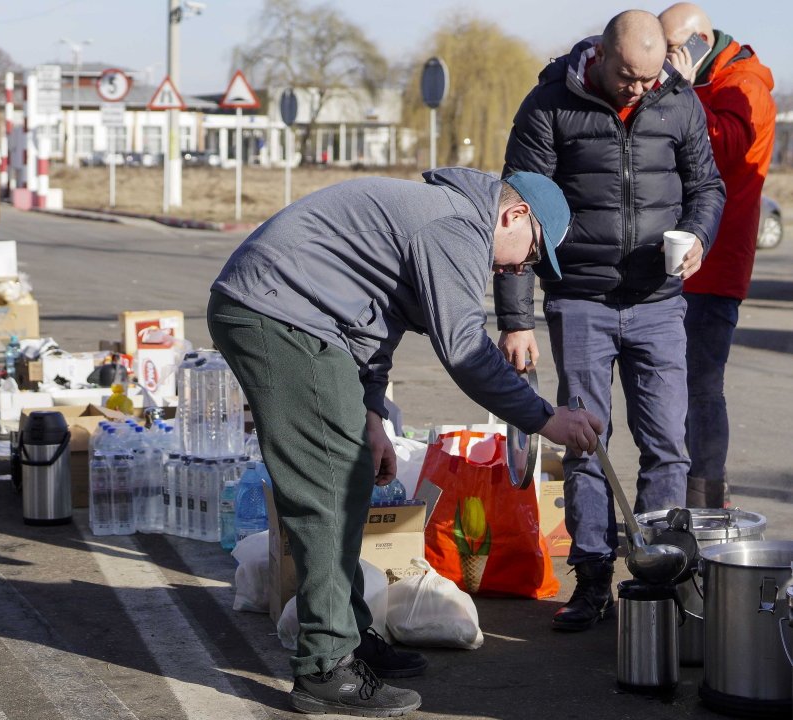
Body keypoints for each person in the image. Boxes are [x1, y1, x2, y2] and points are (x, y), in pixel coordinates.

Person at [209, 167, 604, 717]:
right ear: (514, 216)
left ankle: (346, 636)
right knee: (327, 490)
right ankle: (325, 668)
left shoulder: (445, 219)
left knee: (348, 480)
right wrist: (544, 419)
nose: (519, 269)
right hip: (278, 313)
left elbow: (375, 322)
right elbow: (465, 348)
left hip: (299, 316)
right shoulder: (455, 225)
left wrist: (371, 413)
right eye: (531, 254)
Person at [498, 10, 725, 632]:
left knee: (668, 446)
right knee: (585, 443)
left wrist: (699, 235)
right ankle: (593, 578)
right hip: (579, 300)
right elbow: (514, 211)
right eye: (628, 76)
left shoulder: (677, 102)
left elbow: (707, 187)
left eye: (650, 78)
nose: (640, 89)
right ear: (598, 55)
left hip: (659, 302)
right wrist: (516, 319)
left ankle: (658, 579)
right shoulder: (548, 105)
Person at [659, 3, 777, 509]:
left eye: (670, 48)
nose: (662, 58)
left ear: (699, 43)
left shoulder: (745, 86)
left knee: (702, 386)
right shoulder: (708, 80)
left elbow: (722, 149)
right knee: (675, 385)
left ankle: (706, 502)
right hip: (686, 260)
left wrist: (682, 94)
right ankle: (687, 495)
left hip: (716, 262)